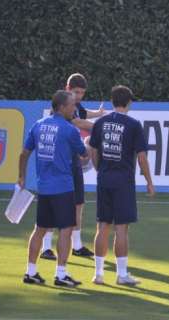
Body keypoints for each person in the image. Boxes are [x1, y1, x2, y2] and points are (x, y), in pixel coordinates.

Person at [19, 90, 88, 287]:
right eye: (72, 105)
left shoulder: (38, 125)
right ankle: (61, 274)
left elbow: (23, 154)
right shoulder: (69, 130)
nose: (74, 108)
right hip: (63, 187)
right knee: (66, 229)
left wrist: (21, 176)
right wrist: (90, 151)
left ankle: (30, 271)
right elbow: (83, 155)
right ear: (62, 107)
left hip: (44, 187)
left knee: (39, 229)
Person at [89, 85, 155, 285]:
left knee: (102, 227)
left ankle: (98, 274)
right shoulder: (133, 125)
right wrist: (149, 182)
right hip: (123, 181)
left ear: (112, 101)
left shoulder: (100, 122)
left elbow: (93, 150)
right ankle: (122, 274)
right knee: (121, 229)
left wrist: (99, 168)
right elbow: (142, 157)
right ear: (129, 103)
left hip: (104, 178)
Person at [40, 73, 105, 260]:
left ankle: (76, 245)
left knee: (78, 203)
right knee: (54, 203)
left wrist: (98, 114)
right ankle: (46, 247)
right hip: (59, 160)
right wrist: (102, 126)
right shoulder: (62, 103)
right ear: (67, 88)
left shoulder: (75, 104)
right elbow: (77, 121)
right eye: (76, 92)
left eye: (82, 93)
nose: (79, 96)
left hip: (72, 159)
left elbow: (83, 114)